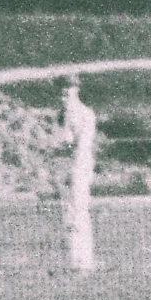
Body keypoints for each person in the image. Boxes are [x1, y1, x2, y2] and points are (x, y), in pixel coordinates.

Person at [58, 74, 98, 273]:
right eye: (62, 92)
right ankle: (73, 260)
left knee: (78, 212)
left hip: (79, 167)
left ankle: (83, 261)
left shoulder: (85, 114)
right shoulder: (63, 115)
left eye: (68, 91)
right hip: (67, 167)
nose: (63, 96)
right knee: (68, 213)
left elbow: (82, 147)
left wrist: (73, 170)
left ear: (76, 90)